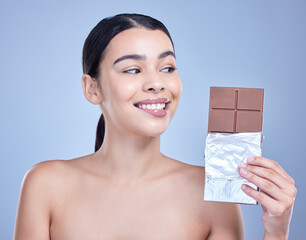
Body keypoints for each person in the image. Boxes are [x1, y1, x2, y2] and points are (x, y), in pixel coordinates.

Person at [14, 13, 296, 240]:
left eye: (167, 68)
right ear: (92, 89)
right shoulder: (45, 185)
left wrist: (277, 231)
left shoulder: (213, 194)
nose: (157, 83)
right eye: (133, 70)